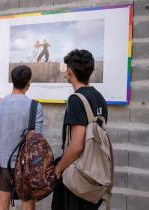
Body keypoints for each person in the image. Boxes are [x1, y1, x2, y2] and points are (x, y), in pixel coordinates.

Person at [51, 49, 107, 210]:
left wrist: (58, 169)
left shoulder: (76, 100)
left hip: (77, 177)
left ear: (69, 72)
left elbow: (76, 146)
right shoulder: (99, 97)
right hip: (94, 174)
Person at [0, 65, 44, 210]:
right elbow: (37, 139)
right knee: (27, 206)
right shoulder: (35, 107)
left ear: (12, 81)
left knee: (1, 206)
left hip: (4, 166)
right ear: (28, 83)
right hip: (27, 167)